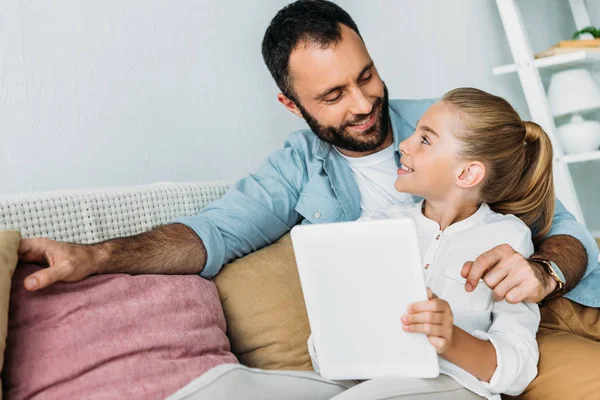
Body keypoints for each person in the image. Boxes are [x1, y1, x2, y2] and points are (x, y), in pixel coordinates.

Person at [16, 1, 600, 399]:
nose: (363, 103)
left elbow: (569, 235)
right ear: (293, 105)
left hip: (538, 324)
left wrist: (542, 272)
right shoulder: (300, 171)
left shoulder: (449, 126)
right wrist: (97, 256)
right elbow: (210, 234)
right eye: (333, 95)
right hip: (405, 370)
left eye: (366, 76)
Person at [309, 87, 549, 399]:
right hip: (365, 381)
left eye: (425, 139)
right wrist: (334, 313)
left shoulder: (507, 238)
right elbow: (322, 353)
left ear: (466, 173)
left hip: (453, 386)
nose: (403, 145)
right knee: (231, 383)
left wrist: (450, 337)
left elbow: (517, 369)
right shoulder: (377, 226)